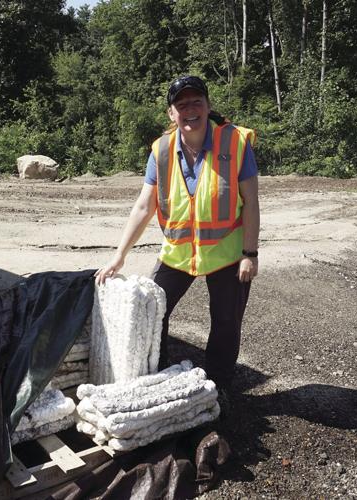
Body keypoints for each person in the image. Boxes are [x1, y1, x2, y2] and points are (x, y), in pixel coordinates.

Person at [95, 75, 260, 400]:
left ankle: (218, 388)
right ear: (172, 114)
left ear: (208, 106)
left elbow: (251, 201)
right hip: (178, 253)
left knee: (226, 325)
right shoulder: (162, 151)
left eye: (196, 102)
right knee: (151, 310)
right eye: (181, 104)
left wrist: (250, 253)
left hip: (227, 254)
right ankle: (159, 376)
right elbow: (144, 206)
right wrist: (119, 256)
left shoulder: (235, 143)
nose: (190, 110)